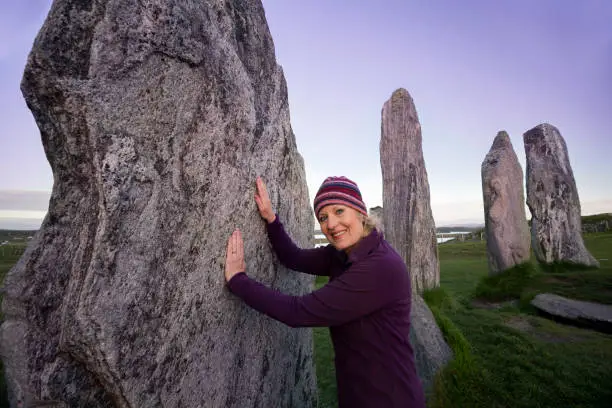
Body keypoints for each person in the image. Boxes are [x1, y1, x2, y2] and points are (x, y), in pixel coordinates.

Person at [224, 176, 426, 408]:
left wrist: (238, 280)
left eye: (339, 211)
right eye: (323, 217)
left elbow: (298, 312)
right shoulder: (343, 253)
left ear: (360, 212)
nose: (330, 224)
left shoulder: (380, 267)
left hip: (390, 398)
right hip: (357, 392)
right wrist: (271, 219)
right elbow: (294, 257)